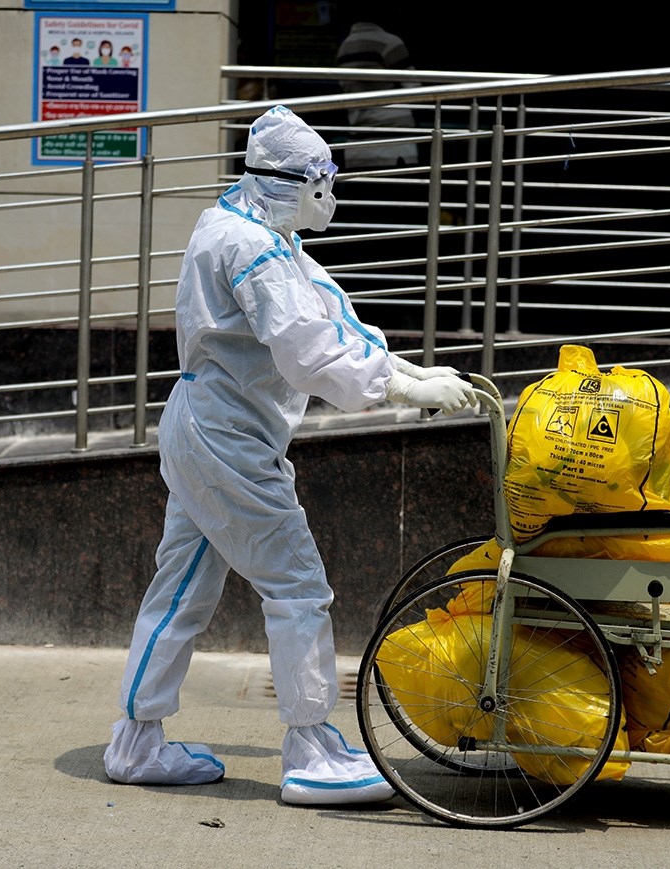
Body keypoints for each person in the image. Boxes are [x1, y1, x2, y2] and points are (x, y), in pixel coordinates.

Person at [102, 105, 476, 803]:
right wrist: (397, 384)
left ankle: (135, 740)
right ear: (286, 182)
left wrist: (407, 371)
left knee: (180, 589)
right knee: (297, 584)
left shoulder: (244, 224)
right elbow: (308, 350)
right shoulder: (253, 249)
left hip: (201, 428)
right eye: (317, 178)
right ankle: (310, 747)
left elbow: (327, 313)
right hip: (230, 440)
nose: (326, 191)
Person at [334, 20, 420, 170]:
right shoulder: (390, 42)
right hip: (394, 140)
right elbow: (414, 86)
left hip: (358, 138)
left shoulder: (344, 47)